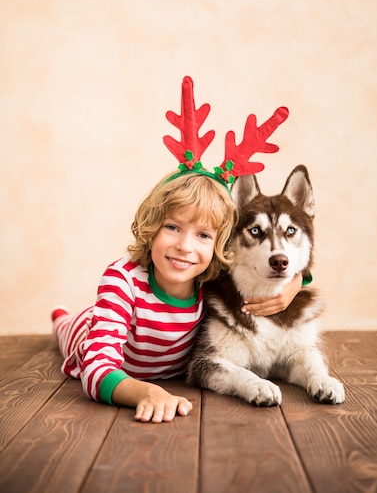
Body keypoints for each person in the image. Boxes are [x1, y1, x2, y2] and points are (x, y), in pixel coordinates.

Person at [51, 170, 304, 424]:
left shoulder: (208, 279)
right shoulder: (122, 280)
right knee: (67, 327)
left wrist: (297, 281)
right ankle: (61, 318)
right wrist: (147, 392)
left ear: (222, 244)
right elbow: (96, 370)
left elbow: (269, 261)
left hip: (156, 363)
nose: (185, 246)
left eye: (203, 235)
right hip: (87, 334)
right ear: (151, 226)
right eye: (172, 227)